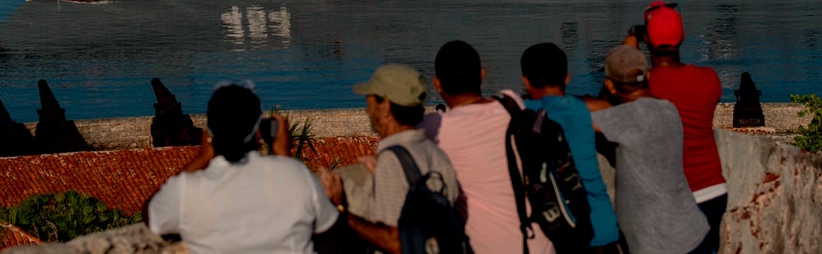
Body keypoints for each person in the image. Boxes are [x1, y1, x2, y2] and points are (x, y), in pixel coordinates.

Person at [144, 83, 338, 253]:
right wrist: (282, 153)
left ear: (210, 133)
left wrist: (203, 156)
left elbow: (150, 214)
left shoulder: (188, 189)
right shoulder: (296, 174)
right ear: (256, 133)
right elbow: (328, 233)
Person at [422, 40, 555, 253]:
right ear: (482, 75)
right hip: (538, 243)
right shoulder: (511, 103)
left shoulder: (433, 129)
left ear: (437, 84)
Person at [318, 63, 460, 253]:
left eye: (370, 100)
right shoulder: (437, 154)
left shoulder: (392, 161)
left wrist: (340, 210)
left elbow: (396, 243)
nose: (367, 110)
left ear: (385, 105)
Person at [587, 45, 709, 254]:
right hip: (692, 230)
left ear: (609, 85)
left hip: (658, 245)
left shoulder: (627, 118)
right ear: (649, 77)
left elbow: (575, 117)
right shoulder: (668, 108)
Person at [629, 1, 728, 251]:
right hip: (711, 192)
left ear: (646, 40)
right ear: (682, 36)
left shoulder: (642, 87)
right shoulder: (709, 79)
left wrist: (628, 49)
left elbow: (611, 96)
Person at [520, 42, 623, 253]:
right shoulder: (580, 110)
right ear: (567, 78)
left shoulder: (520, 114)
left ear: (525, 81)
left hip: (551, 229)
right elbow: (611, 107)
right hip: (599, 226)